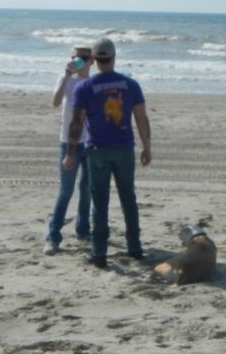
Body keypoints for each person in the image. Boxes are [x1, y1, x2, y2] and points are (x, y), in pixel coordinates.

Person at [64, 38, 152, 268]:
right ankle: (134, 248)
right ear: (113, 58)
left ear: (94, 60)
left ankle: (99, 253)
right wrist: (147, 147)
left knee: (100, 202)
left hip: (98, 150)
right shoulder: (130, 84)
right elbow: (141, 118)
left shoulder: (85, 87)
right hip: (123, 148)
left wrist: (70, 152)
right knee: (128, 198)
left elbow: (76, 123)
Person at [44, 45, 92, 255]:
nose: (79, 61)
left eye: (84, 58)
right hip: (68, 142)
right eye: (76, 57)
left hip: (90, 142)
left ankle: (83, 230)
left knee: (87, 189)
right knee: (66, 190)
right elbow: (55, 102)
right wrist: (65, 75)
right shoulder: (67, 80)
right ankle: (53, 236)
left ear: (92, 61)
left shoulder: (92, 83)